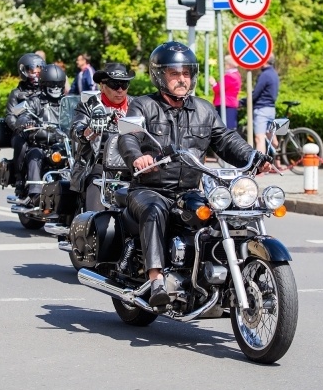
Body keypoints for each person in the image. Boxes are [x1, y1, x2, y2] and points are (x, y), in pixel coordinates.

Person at [118, 42, 275, 307]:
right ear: (159, 75)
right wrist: (138, 157)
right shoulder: (142, 106)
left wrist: (254, 157)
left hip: (189, 191)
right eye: (174, 73)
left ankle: (218, 277)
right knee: (155, 210)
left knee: (223, 214)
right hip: (149, 188)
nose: (182, 79)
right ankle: (156, 279)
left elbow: (226, 139)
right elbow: (127, 138)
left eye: (186, 73)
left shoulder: (204, 109)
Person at [70, 63, 134, 211]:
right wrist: (91, 129)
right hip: (97, 163)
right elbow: (75, 130)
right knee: (95, 187)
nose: (120, 89)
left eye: (124, 84)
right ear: (102, 85)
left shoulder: (136, 105)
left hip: (131, 164)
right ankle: (93, 227)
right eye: (114, 84)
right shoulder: (89, 105)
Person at [13, 63, 66, 205]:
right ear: (43, 84)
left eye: (58, 84)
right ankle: (35, 193)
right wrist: (26, 122)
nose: (55, 88)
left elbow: (79, 116)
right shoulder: (36, 101)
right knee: (35, 154)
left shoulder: (67, 102)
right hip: (41, 143)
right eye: (51, 84)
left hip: (63, 144)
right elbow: (24, 114)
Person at [5, 53, 45, 180]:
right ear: (24, 71)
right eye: (32, 70)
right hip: (23, 131)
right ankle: (19, 178)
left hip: (43, 129)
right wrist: (19, 126)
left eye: (39, 70)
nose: (36, 74)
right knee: (20, 143)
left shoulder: (46, 92)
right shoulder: (16, 93)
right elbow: (10, 115)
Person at [251, 54, 280, 154]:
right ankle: (278, 161)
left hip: (261, 109)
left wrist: (243, 102)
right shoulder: (274, 74)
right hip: (271, 109)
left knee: (259, 138)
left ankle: (261, 167)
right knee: (271, 137)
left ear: (264, 61)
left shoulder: (264, 75)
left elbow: (256, 93)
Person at [208, 55, 242, 130]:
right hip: (229, 103)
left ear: (228, 64)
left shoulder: (230, 76)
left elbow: (219, 89)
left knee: (225, 128)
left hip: (226, 104)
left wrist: (213, 83)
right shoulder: (236, 75)